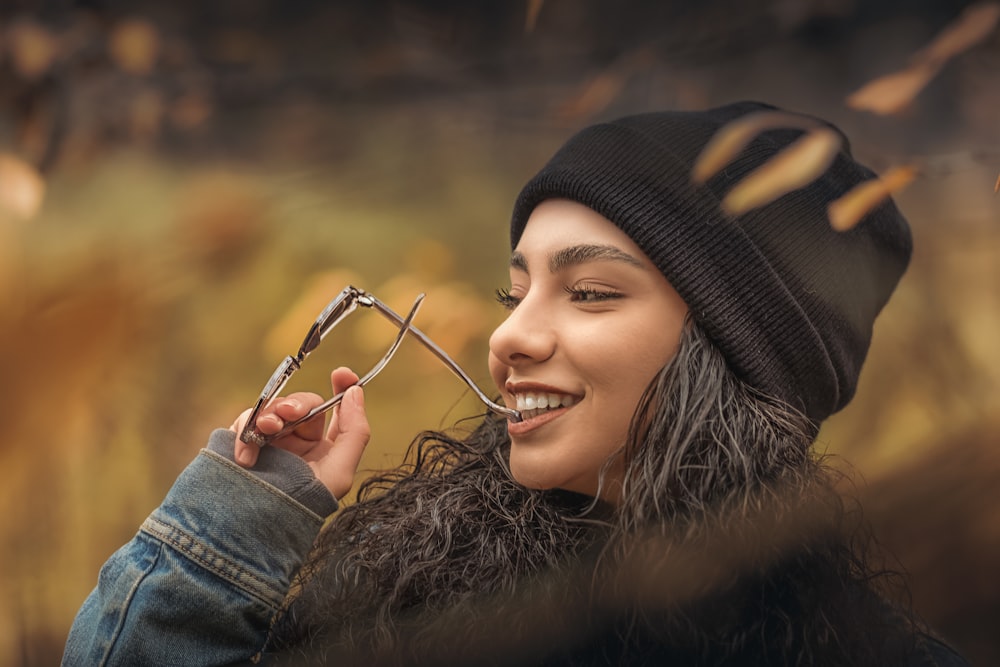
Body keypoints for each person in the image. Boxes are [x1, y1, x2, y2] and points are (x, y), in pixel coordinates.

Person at [62, 101, 969, 666]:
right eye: (515, 288)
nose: (509, 334)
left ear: (739, 352)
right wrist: (236, 525)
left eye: (590, 292)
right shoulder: (410, 601)